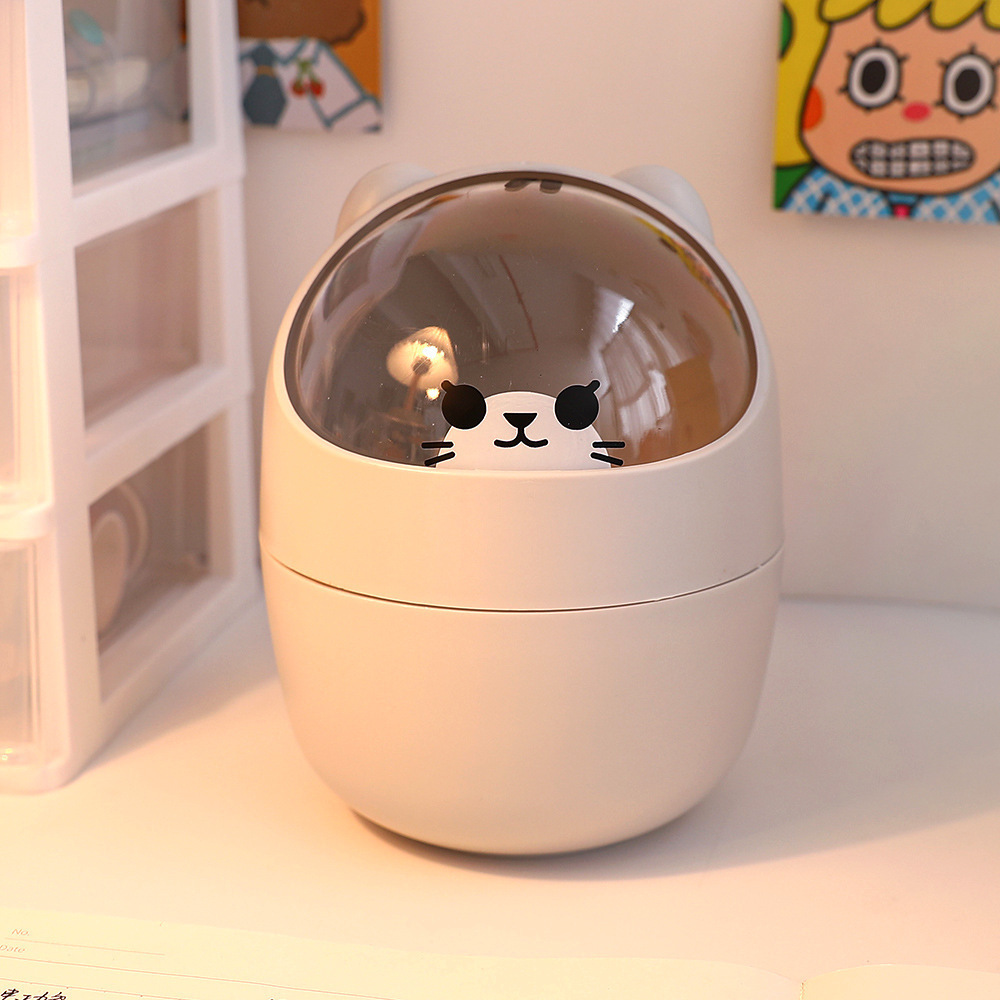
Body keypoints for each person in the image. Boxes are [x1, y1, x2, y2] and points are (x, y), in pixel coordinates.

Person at [780, 0, 1000, 222]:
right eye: (872, 80)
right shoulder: (824, 190)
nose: (917, 111)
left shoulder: (987, 198)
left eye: (968, 88)